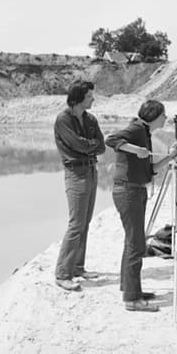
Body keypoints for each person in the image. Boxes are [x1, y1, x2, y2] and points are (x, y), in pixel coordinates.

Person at [105, 99, 177, 312]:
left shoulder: (144, 133)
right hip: (128, 191)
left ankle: (131, 289)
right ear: (155, 116)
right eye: (163, 115)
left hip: (134, 189)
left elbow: (150, 170)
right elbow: (111, 139)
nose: (165, 118)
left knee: (133, 241)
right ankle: (131, 299)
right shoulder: (137, 129)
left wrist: (170, 157)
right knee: (136, 244)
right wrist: (135, 150)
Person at [54, 80, 105, 291]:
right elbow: (77, 145)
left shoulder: (90, 118)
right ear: (79, 98)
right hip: (75, 173)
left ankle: (77, 267)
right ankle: (62, 273)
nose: (93, 99)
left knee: (85, 222)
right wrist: (88, 146)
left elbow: (100, 146)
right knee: (76, 224)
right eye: (90, 96)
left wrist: (88, 147)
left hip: (91, 170)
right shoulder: (63, 120)